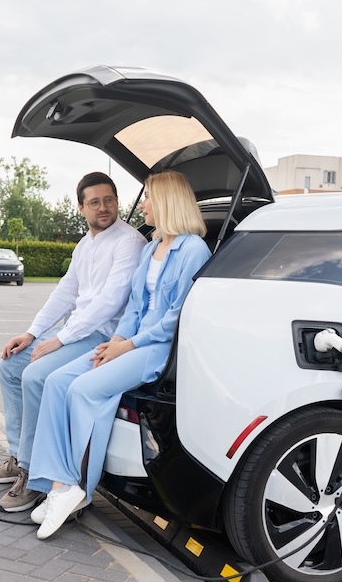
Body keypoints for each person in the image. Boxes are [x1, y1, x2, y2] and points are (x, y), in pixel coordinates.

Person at [26, 170, 212, 538]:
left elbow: (177, 317)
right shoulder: (151, 247)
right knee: (58, 380)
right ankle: (57, 485)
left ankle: (77, 486)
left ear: (167, 202)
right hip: (131, 341)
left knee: (83, 389)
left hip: (158, 349)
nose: (142, 204)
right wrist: (118, 341)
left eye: (149, 199)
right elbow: (133, 308)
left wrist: (128, 345)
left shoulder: (193, 250)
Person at [0, 172, 147, 512]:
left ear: (117, 201)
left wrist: (58, 340)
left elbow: (111, 302)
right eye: (94, 202)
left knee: (35, 375)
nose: (103, 208)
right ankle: (18, 454)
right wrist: (32, 333)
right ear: (80, 208)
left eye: (109, 200)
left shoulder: (128, 242)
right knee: (10, 365)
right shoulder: (84, 245)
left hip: (104, 336)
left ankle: (33, 476)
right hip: (76, 331)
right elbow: (65, 292)